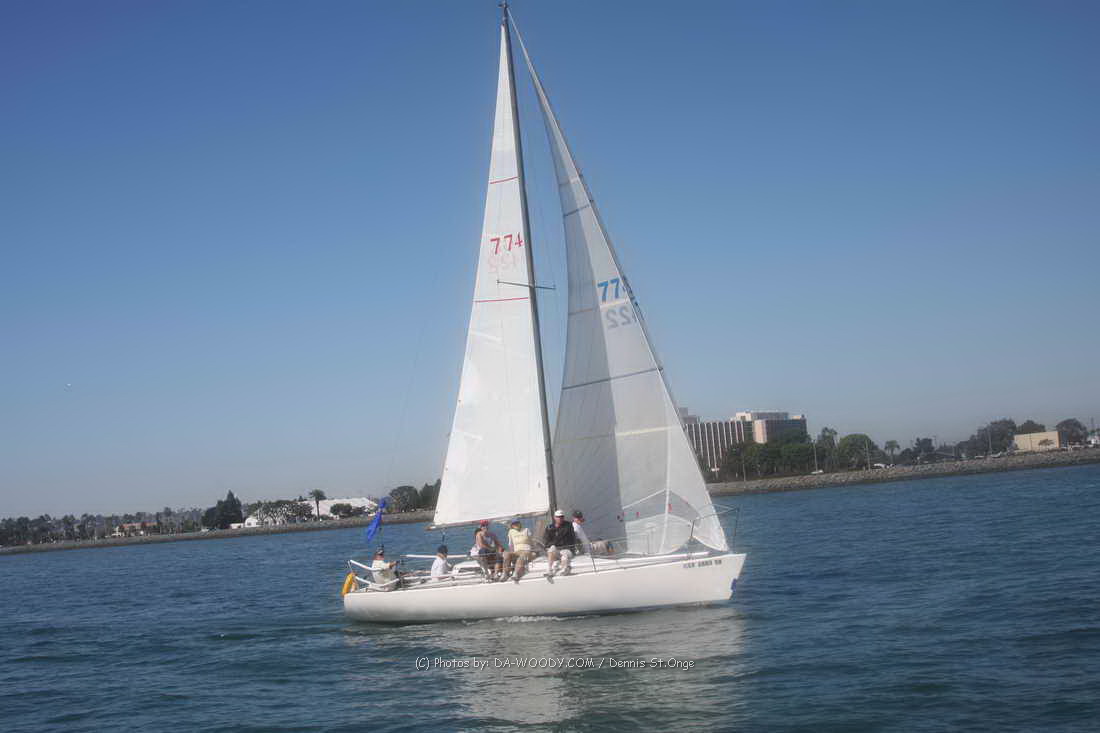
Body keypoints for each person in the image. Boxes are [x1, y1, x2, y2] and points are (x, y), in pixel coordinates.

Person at [543, 509, 578, 577]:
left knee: (564, 556)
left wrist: (573, 548)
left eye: (562, 517)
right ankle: (549, 569)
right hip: (556, 550)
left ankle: (564, 569)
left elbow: (572, 538)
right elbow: (546, 541)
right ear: (554, 517)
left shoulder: (568, 525)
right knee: (552, 548)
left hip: (566, 549)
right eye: (558, 517)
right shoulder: (549, 527)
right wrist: (552, 545)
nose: (560, 518)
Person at [503, 518, 534, 583]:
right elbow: (510, 545)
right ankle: (505, 574)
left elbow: (532, 541)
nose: (516, 525)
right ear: (512, 525)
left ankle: (516, 573)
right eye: (514, 524)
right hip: (517, 551)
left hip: (526, 550)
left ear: (520, 524)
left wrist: (532, 551)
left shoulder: (526, 530)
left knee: (521, 556)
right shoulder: (511, 532)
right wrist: (511, 553)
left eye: (517, 523)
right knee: (506, 553)